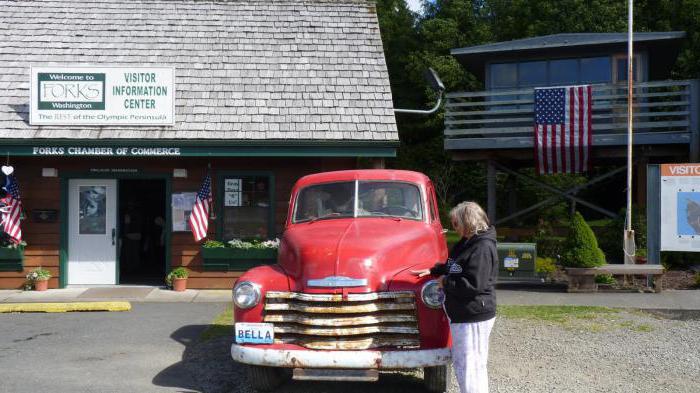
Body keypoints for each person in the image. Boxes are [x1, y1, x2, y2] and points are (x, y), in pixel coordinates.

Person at [412, 201, 498, 393]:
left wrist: (445, 282)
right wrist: (434, 270)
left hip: (474, 315)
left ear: (468, 222)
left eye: (456, 223)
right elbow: (455, 266)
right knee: (464, 364)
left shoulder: (482, 248)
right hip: (463, 314)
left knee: (471, 368)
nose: (454, 228)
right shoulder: (467, 242)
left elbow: (474, 285)